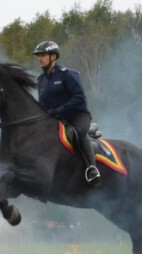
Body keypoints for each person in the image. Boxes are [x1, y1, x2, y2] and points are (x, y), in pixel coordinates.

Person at [33, 41, 101, 185]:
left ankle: (91, 168)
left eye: (43, 55)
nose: (40, 58)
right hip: (56, 120)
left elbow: (80, 98)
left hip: (78, 117)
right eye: (38, 56)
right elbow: (42, 105)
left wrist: (58, 111)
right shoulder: (41, 80)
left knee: (76, 133)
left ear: (53, 57)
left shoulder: (67, 75)